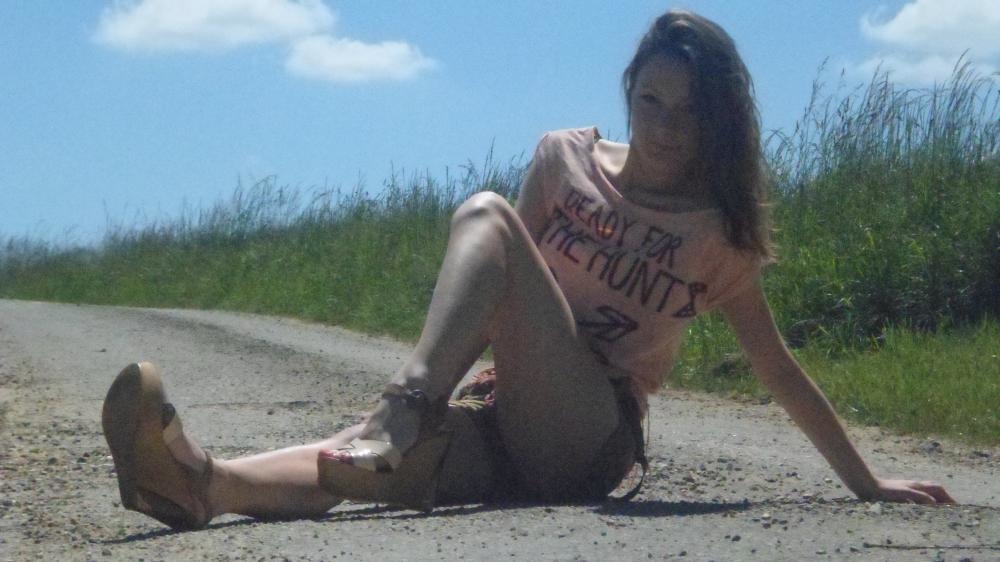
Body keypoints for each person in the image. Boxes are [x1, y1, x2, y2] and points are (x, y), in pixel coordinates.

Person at [100, 9, 955, 531]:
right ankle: (202, 485)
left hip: (589, 435)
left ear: (719, 121)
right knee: (359, 465)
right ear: (629, 92)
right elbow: (495, 295)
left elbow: (776, 367)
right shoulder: (563, 160)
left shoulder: (717, 234)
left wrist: (867, 482)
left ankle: (404, 405)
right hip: (505, 414)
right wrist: (447, 403)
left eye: (690, 112)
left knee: (486, 214)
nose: (666, 128)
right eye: (651, 102)